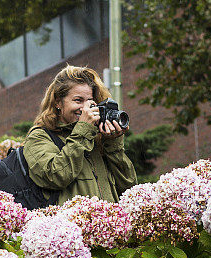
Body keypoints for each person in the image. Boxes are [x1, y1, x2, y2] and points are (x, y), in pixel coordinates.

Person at [24, 65, 137, 205]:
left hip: (108, 225)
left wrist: (113, 144)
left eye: (90, 101)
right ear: (58, 102)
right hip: (71, 225)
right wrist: (83, 129)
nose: (85, 108)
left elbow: (129, 187)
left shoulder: (95, 137)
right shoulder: (40, 136)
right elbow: (55, 176)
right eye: (78, 100)